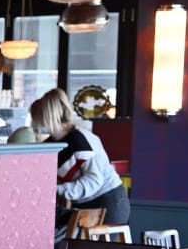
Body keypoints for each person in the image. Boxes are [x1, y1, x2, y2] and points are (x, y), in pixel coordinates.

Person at [29, 86, 129, 224]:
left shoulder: (80, 139)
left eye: (38, 118)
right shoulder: (50, 143)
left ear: (48, 116)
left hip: (108, 201)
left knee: (86, 245)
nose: (36, 123)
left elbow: (95, 180)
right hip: (84, 204)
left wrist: (58, 190)